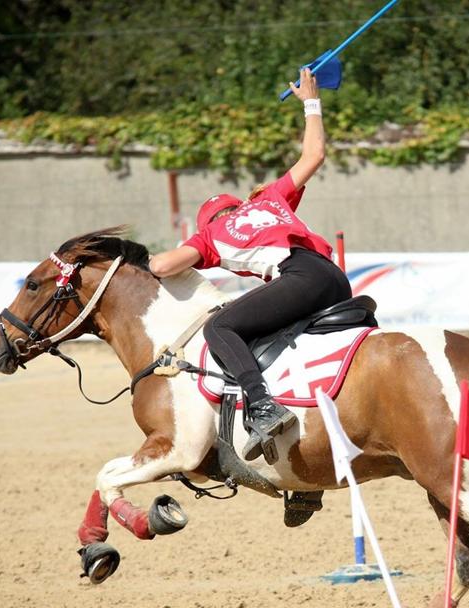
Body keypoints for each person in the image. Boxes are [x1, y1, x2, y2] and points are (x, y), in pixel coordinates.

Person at [148, 68, 351, 464]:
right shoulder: (268, 198)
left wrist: (181, 249)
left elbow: (162, 265)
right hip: (334, 280)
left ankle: (262, 406)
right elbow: (315, 155)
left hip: (300, 279)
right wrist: (312, 101)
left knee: (219, 328)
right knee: (279, 343)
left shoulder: (208, 236)